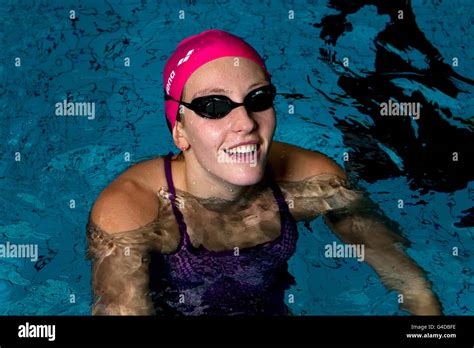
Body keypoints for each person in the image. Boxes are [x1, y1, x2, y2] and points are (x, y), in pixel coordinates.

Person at [86, 29, 441, 316]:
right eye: (214, 106)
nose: (245, 123)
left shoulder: (311, 182)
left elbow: (411, 285)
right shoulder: (131, 212)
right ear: (179, 131)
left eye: (258, 99)